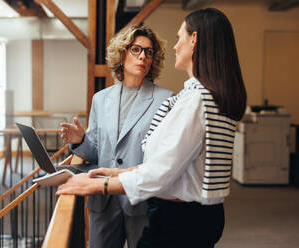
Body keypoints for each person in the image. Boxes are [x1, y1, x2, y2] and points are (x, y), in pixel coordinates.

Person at [57, 8, 247, 248]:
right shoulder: (207, 96)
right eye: (136, 50)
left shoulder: (191, 100)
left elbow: (162, 170)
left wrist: (96, 184)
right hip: (195, 215)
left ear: (195, 39)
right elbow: (172, 163)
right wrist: (115, 171)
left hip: (175, 217)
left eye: (180, 38)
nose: (176, 46)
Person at [59, 26, 172, 248]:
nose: (143, 56)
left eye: (148, 52)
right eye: (136, 49)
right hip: (104, 199)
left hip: (141, 199)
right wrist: (79, 140)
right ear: (122, 55)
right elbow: (97, 152)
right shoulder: (101, 99)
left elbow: (163, 156)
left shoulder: (165, 100)